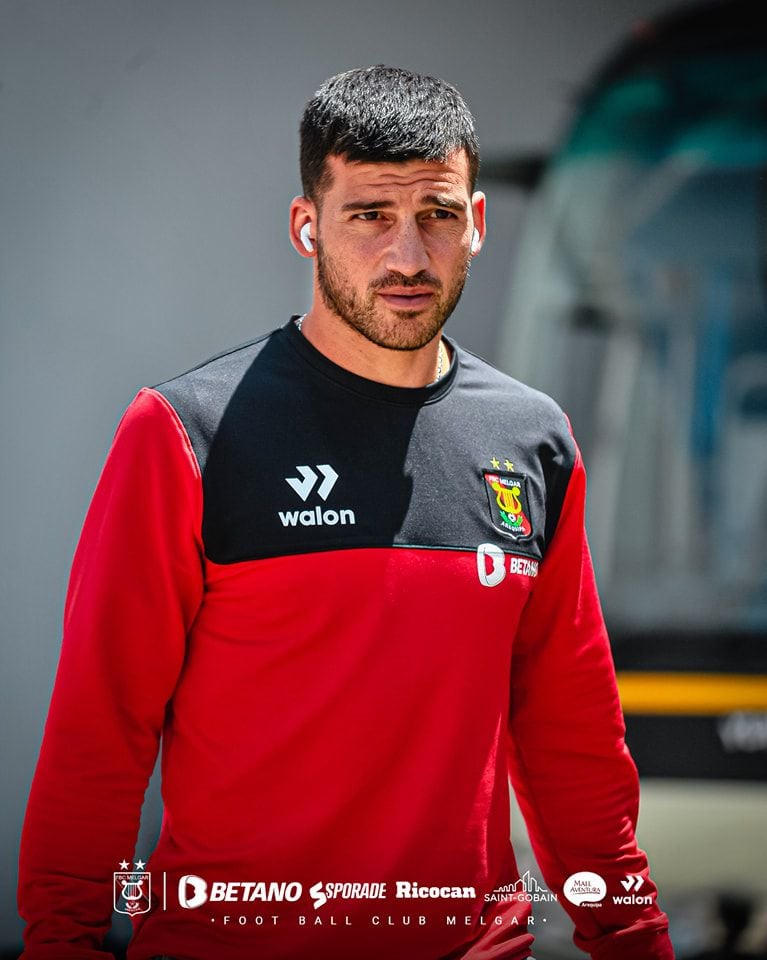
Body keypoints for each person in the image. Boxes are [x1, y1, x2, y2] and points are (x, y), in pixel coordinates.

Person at [18, 65, 675, 960]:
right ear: (307, 226)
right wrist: (62, 942)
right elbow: (101, 729)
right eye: (369, 215)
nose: (408, 255)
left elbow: (572, 740)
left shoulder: (534, 440)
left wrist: (632, 938)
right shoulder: (183, 432)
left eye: (436, 215)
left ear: (476, 223)